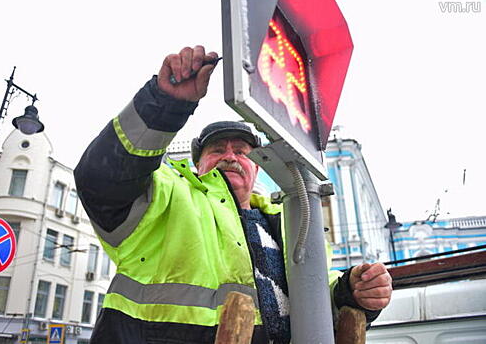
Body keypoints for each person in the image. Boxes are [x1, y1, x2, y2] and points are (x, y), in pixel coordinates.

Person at [74, 45, 392, 344]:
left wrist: (353, 291)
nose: (230, 156)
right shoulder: (166, 197)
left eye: (241, 151)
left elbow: (318, 299)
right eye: (216, 150)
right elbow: (101, 179)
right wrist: (163, 106)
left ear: (257, 169)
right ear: (197, 165)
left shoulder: (292, 225)